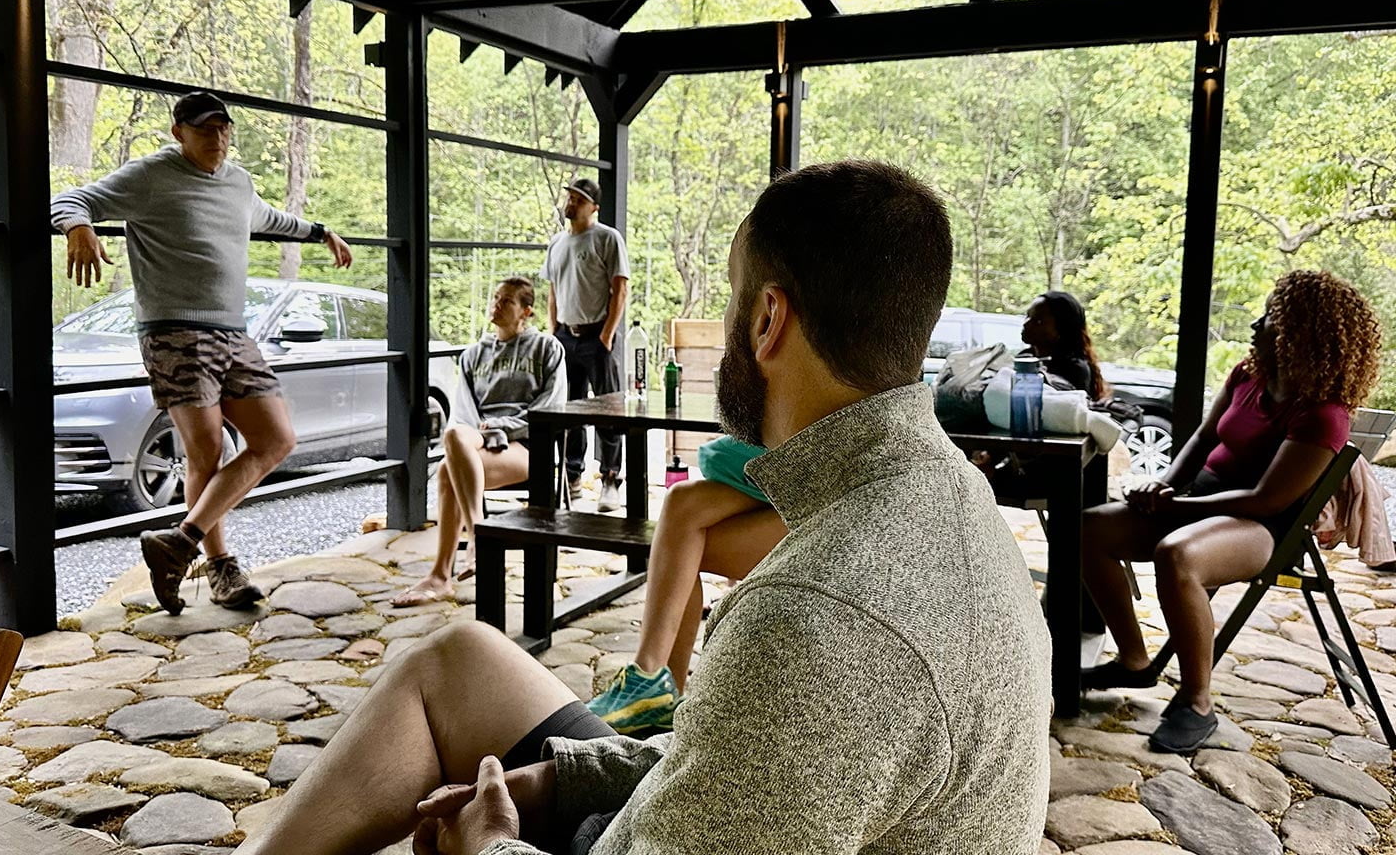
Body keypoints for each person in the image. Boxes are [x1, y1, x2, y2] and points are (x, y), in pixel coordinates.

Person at [235, 160, 1052, 855]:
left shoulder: (813, 618)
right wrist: (559, 781)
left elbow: (791, 723)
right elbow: (749, 759)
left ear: (768, 319)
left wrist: (490, 844)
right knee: (459, 658)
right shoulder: (950, 492)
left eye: (734, 300)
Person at [51, 91, 353, 614]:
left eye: (223, 129)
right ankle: (219, 568)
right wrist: (78, 228)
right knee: (207, 452)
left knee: (276, 439)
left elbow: (265, 218)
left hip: (234, 335)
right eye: (203, 129)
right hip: (174, 335)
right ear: (179, 132)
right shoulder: (150, 176)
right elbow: (70, 198)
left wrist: (321, 232)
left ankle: (180, 542)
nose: (216, 138)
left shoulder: (237, 181)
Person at [1080, 269, 1381, 753]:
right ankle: (1134, 662)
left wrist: (1177, 504)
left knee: (1178, 555)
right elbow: (1202, 437)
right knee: (1089, 528)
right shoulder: (1248, 374)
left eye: (1270, 317)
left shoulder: (1324, 414)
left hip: (1262, 526)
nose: (1256, 325)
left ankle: (1198, 703)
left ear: (1299, 333)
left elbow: (1267, 500)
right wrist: (1164, 483)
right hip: (1201, 495)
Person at [584, 434, 786, 732]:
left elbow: (722, 455)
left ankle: (652, 688)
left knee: (681, 545)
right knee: (683, 503)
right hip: (807, 483)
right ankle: (659, 692)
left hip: (845, 506)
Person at [393, 277, 566, 606]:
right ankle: (475, 537)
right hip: (478, 441)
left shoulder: (547, 348)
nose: (496, 305)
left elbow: (549, 409)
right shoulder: (474, 354)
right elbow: (463, 415)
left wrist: (500, 426)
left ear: (526, 311)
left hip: (527, 446)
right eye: (496, 298)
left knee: (446, 471)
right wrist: (485, 433)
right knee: (455, 433)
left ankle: (442, 573)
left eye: (507, 302)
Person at [541, 178, 630, 513]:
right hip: (565, 336)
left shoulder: (607, 238)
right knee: (571, 410)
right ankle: (573, 477)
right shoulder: (556, 243)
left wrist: (607, 335)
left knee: (608, 409)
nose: (571, 203)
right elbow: (552, 289)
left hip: (597, 336)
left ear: (593, 206)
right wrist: (554, 331)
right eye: (570, 197)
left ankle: (610, 479)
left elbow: (619, 288)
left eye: (579, 198)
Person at [1020, 290, 1108, 400]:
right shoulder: (1026, 357)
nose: (1026, 323)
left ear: (1062, 329)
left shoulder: (1073, 370)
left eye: (1038, 321)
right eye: (1027, 316)